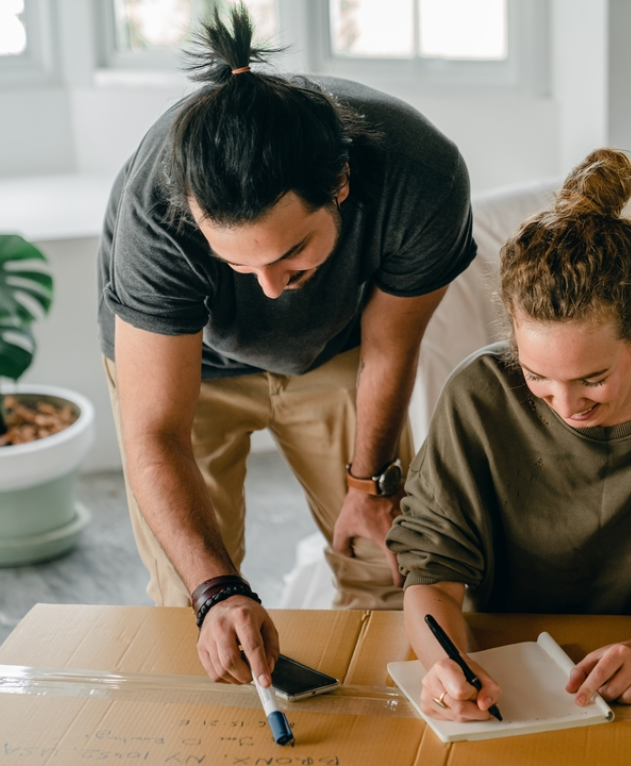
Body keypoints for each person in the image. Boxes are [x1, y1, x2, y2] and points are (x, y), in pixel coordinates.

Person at [97, 7, 476, 688]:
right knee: (195, 598)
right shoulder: (155, 207)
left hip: (335, 352)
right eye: (239, 265)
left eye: (292, 253)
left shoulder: (424, 178)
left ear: (339, 185)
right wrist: (216, 590)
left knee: (384, 564)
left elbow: (389, 351)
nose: (270, 289)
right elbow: (156, 431)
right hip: (186, 366)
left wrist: (367, 483)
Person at [386, 148, 631, 721]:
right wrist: (443, 664)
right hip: (505, 676)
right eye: (537, 377)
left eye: (593, 379)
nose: (567, 406)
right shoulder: (477, 394)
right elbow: (433, 571)